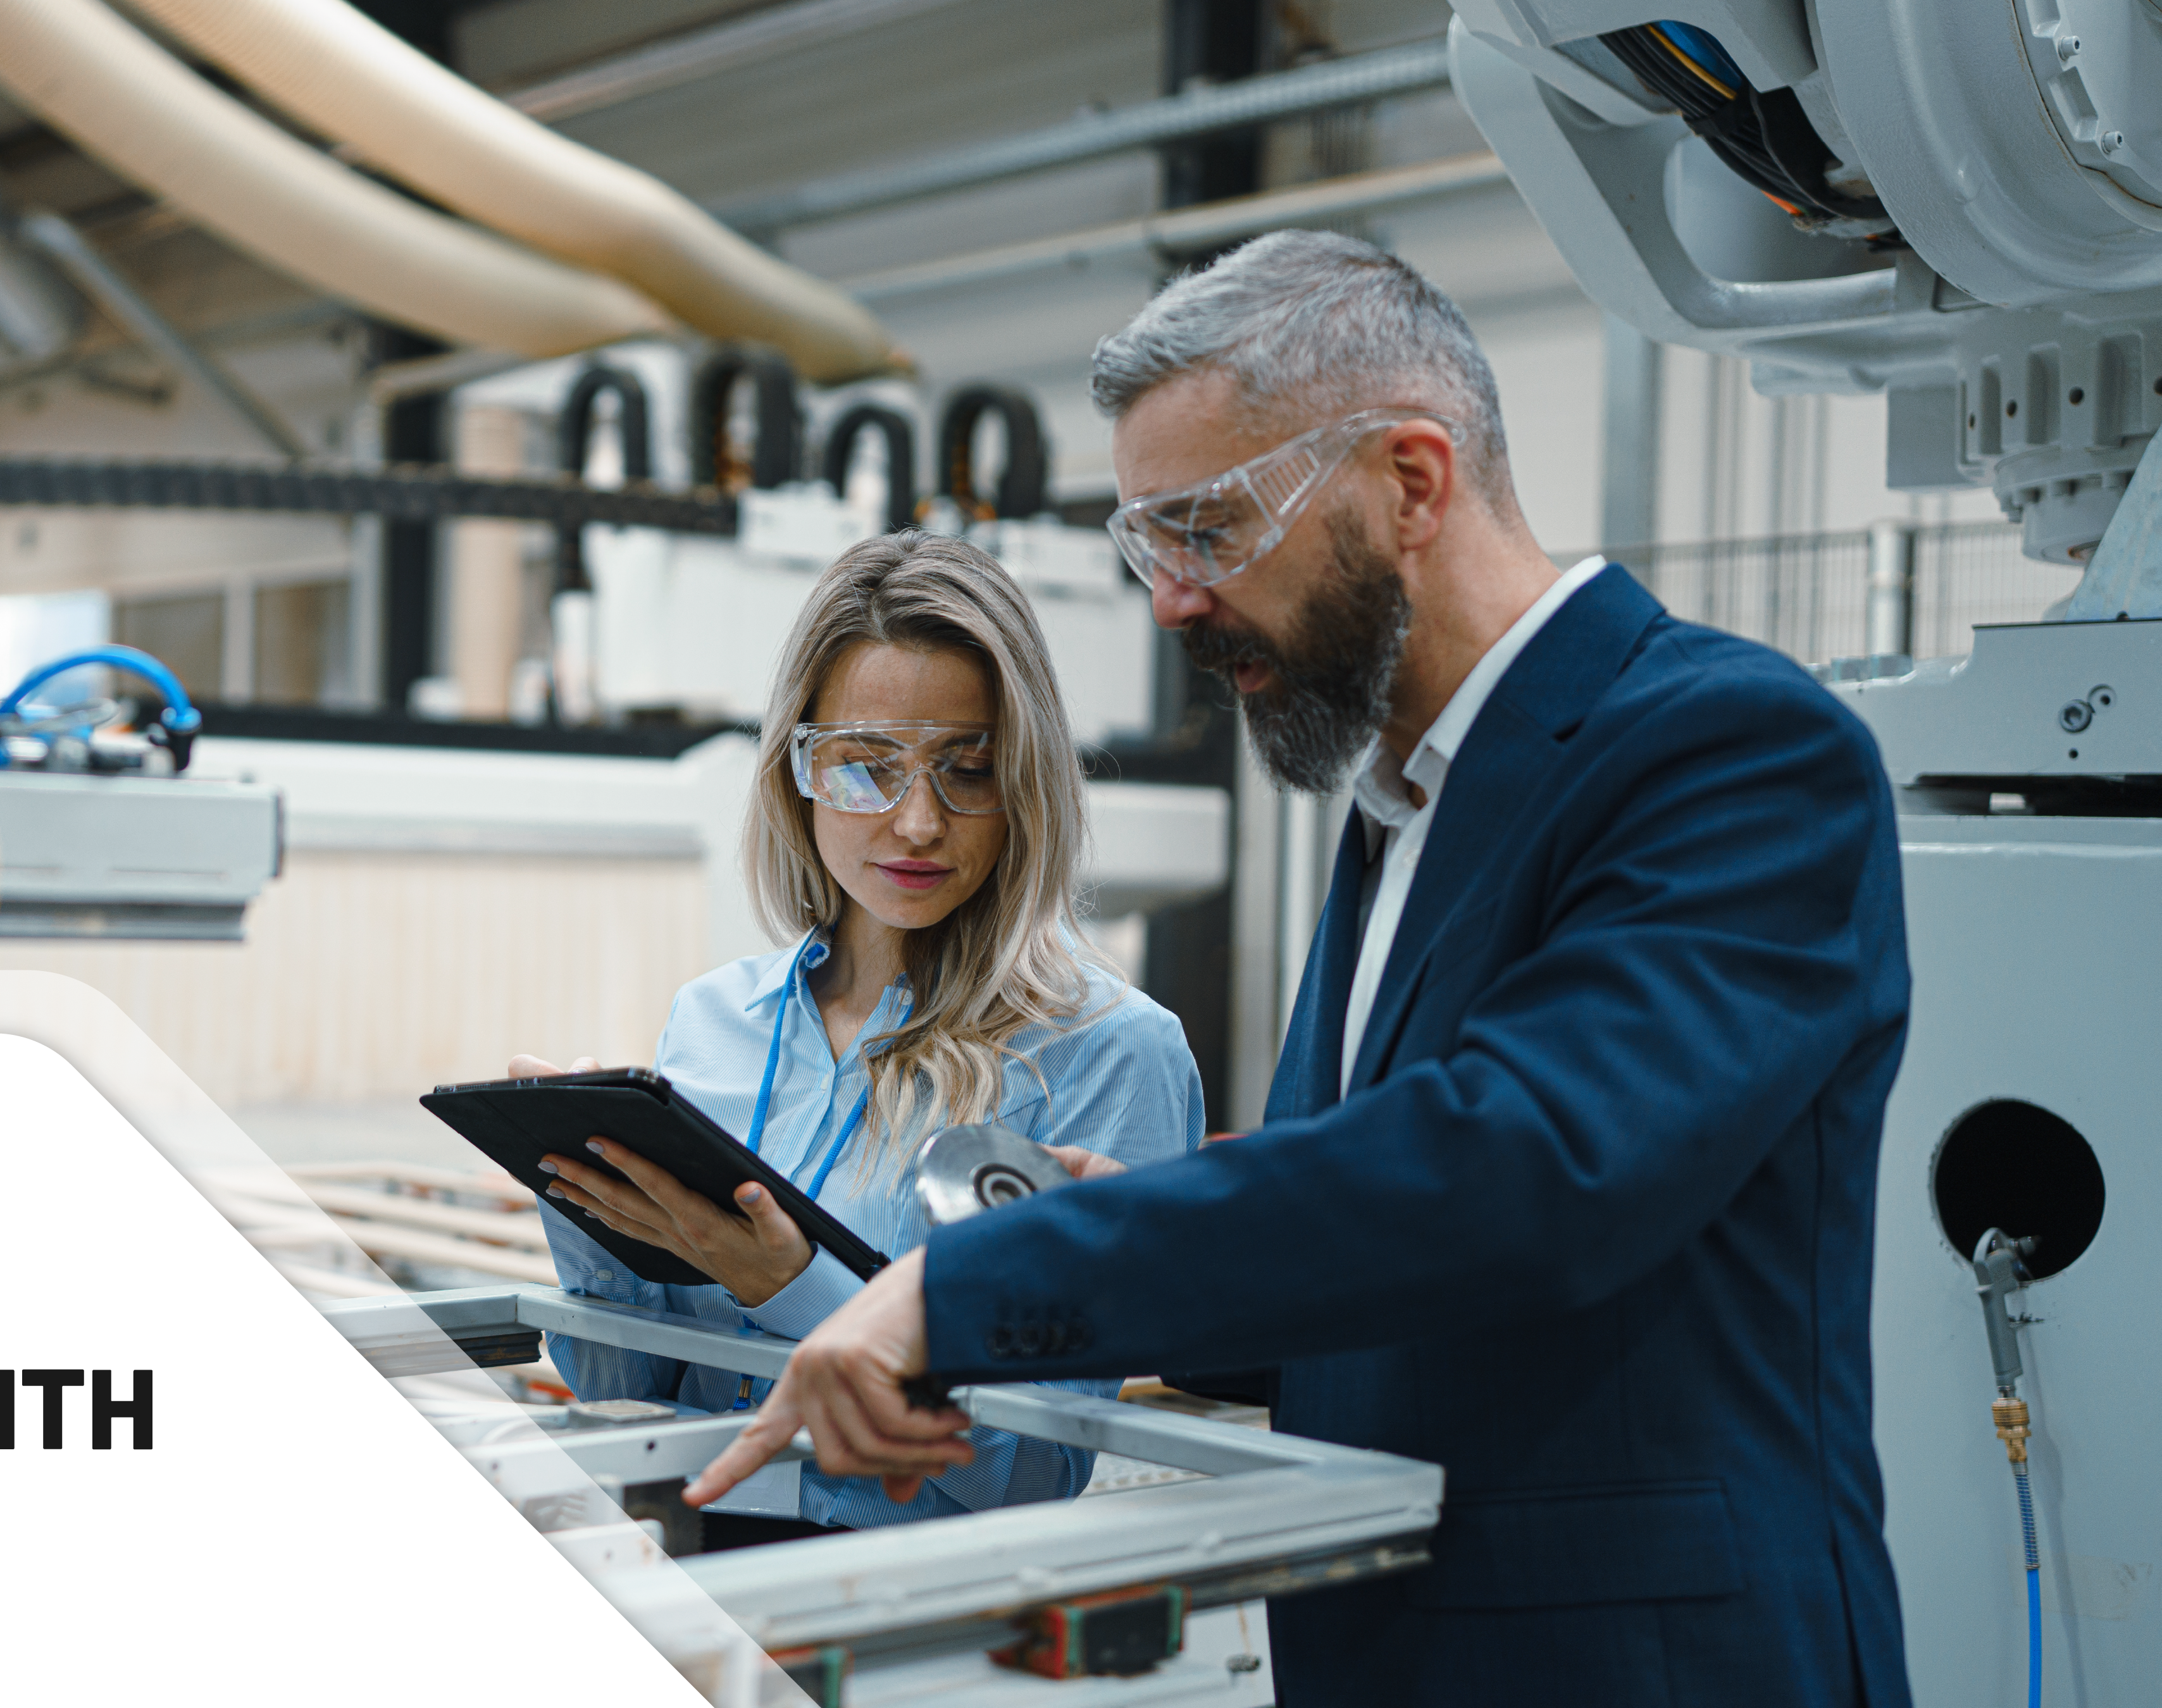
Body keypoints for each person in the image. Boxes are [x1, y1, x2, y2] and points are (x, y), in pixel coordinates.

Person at [685, 231, 1914, 1707]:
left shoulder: (1730, 754)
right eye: (1151, 547)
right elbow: (1375, 1262)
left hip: (1646, 1660)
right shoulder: (1399, 810)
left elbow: (1522, 1174)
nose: (1173, 604)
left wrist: (974, 1283)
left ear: (1410, 480)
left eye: (1208, 528)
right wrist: (1133, 1223)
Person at [513, 530, 1202, 1547]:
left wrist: (790, 1286)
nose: (918, 821)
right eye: (866, 768)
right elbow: (628, 1391)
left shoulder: (1107, 1054)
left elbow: (1029, 1468)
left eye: (968, 768)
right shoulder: (712, 1023)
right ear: (799, 769)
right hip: (679, 1559)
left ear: (1028, 782)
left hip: (898, 1601)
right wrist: (580, 1194)